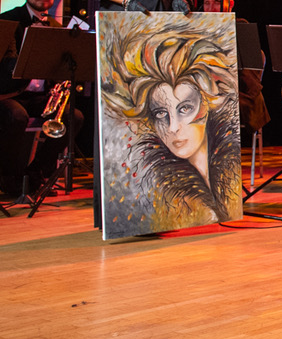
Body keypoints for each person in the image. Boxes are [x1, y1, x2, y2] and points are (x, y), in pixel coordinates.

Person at [100, 16, 242, 226]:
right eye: (160, 113)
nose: (173, 127)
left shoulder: (228, 172)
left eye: (185, 108)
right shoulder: (159, 195)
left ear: (208, 101)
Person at [0, 0, 83, 197]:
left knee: (74, 116)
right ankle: (10, 180)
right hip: (0, 93)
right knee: (16, 115)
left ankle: (35, 174)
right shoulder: (6, 21)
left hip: (34, 96)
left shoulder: (57, 27)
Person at [201, 0, 271, 133]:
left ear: (230, 4)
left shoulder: (241, 29)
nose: (211, 8)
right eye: (207, 3)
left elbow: (250, 85)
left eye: (217, 2)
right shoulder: (198, 31)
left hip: (241, 97)